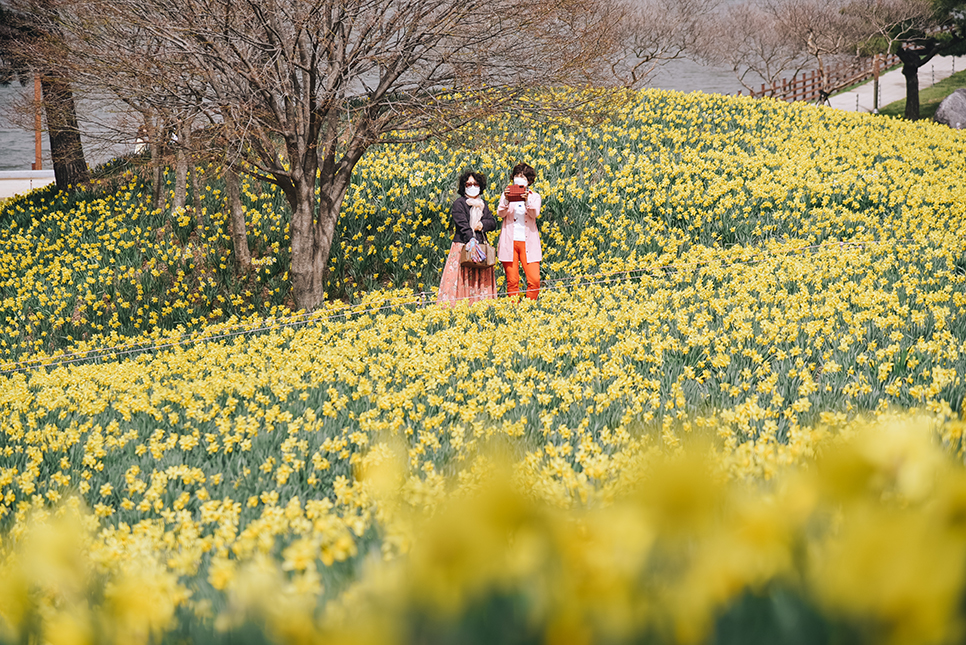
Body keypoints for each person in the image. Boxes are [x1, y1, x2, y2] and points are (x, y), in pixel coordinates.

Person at [437, 171, 499, 306]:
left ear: (480, 186)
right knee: (460, 277)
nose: (472, 186)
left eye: (475, 184)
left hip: (480, 247)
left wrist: (482, 225)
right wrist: (471, 238)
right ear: (463, 186)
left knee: (480, 276)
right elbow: (462, 224)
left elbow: (492, 222)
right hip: (463, 245)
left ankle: (481, 306)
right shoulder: (459, 204)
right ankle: (459, 306)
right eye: (468, 184)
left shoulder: (483, 204)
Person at [497, 162, 542, 300]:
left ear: (529, 180)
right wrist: (506, 198)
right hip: (509, 242)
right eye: (517, 175)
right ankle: (514, 309)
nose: (519, 178)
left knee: (534, 280)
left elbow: (534, 214)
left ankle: (530, 306)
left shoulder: (534, 196)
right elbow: (500, 213)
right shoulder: (507, 194)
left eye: (522, 176)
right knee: (512, 281)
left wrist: (527, 201)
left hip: (529, 243)